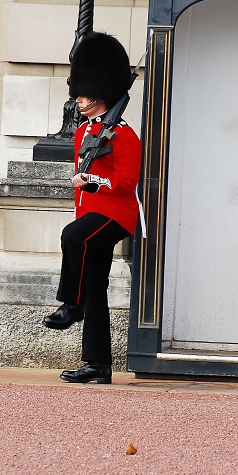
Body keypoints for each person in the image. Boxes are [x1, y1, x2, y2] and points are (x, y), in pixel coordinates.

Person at [43, 32, 141, 384]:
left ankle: (71, 304)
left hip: (117, 214)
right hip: (91, 215)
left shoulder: (124, 134)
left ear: (100, 93)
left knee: (72, 236)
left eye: (83, 94)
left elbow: (126, 181)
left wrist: (94, 181)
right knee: (95, 286)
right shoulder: (83, 132)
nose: (78, 99)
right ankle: (97, 363)